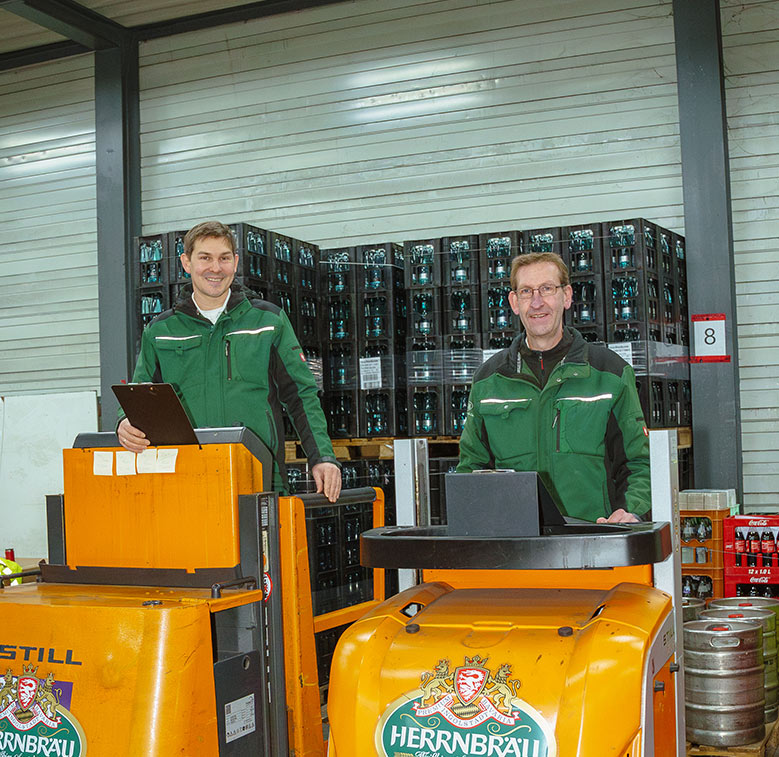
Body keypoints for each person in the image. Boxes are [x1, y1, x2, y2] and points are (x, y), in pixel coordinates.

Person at [118, 220, 342, 502]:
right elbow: (139, 395)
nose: (215, 268)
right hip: (185, 479)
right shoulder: (161, 331)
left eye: (224, 258)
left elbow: (302, 394)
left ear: (235, 263)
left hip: (259, 474)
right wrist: (125, 422)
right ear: (186, 263)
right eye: (205, 258)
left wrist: (322, 456)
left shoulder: (268, 321)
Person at [457, 251, 650, 523]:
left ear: (567, 296)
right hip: (515, 546)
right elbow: (472, 470)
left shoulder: (610, 374)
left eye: (547, 289)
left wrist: (632, 511)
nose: (537, 302)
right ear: (514, 302)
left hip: (593, 542)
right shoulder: (489, 381)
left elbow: (638, 464)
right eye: (526, 291)